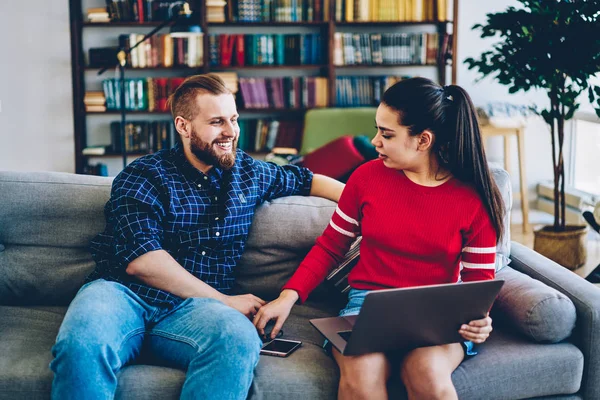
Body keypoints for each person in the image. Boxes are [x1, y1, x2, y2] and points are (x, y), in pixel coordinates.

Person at [50, 74, 344, 400]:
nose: (231, 131)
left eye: (233, 119)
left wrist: (366, 204)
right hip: (122, 295)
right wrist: (226, 301)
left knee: (238, 338)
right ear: (184, 126)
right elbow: (143, 261)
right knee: (82, 343)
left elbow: (309, 180)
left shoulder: (250, 172)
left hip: (194, 312)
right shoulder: (144, 175)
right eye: (217, 122)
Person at [254, 77, 506, 400]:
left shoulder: (474, 199)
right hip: (366, 305)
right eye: (377, 129)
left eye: (387, 134)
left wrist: (479, 320)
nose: (375, 141)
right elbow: (330, 246)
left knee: (427, 375)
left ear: (423, 140)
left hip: (437, 315)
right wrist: (287, 297)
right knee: (361, 379)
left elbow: (478, 285)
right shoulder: (367, 178)